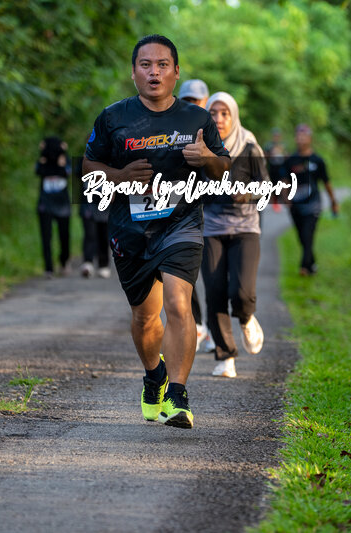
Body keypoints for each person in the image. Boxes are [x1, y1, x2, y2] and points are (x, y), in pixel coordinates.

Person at [83, 34, 230, 429]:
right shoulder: (113, 118)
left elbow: (223, 167)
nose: (154, 72)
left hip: (182, 223)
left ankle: (177, 397)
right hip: (130, 229)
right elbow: (88, 168)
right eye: (145, 65)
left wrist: (207, 158)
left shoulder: (197, 119)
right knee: (145, 319)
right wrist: (119, 176)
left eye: (163, 64)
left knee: (179, 304)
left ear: (176, 72)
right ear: (133, 73)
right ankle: (155, 376)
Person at [202, 92, 268, 378]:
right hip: (211, 229)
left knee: (241, 292)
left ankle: (246, 317)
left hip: (245, 229)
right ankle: (225, 355)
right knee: (215, 291)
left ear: (234, 116)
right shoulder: (200, 146)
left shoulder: (249, 147)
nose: (218, 119)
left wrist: (247, 194)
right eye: (213, 113)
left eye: (224, 113)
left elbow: (265, 187)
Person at [177, 78, 214, 353]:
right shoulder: (173, 129)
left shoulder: (217, 128)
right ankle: (199, 324)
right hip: (184, 215)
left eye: (197, 101)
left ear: (206, 102)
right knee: (182, 275)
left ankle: (214, 329)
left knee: (214, 277)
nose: (192, 105)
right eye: (187, 100)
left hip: (214, 216)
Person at [282, 124, 338, 276]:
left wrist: (333, 201)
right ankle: (312, 264)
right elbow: (285, 180)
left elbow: (326, 182)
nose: (301, 139)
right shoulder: (291, 160)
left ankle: (304, 267)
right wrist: (285, 198)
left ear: (310, 139)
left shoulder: (317, 160)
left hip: (313, 205)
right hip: (295, 205)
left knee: (308, 235)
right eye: (298, 136)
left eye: (304, 136)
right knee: (302, 237)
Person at [36, 136, 71, 277]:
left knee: (64, 235)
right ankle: (48, 267)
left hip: (62, 204)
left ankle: (64, 261)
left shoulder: (64, 160)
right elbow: (38, 171)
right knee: (46, 236)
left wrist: (62, 164)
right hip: (45, 203)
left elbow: (69, 172)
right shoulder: (42, 160)